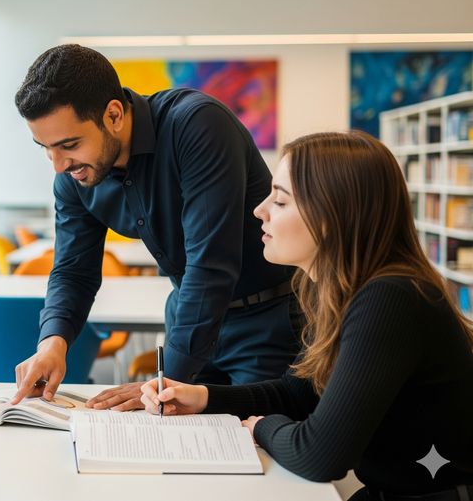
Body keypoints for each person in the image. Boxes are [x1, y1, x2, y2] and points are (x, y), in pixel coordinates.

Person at [94, 131, 473, 500]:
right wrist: (204, 397)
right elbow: (299, 392)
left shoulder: (391, 298)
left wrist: (261, 428)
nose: (259, 210)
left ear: (333, 214)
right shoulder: (340, 291)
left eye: (280, 200)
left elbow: (320, 456)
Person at [11, 44, 298, 403]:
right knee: (175, 441)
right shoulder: (74, 174)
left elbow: (210, 264)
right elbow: (73, 271)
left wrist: (166, 380)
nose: (58, 165)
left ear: (114, 115)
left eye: (69, 144)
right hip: (188, 320)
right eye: (45, 147)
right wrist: (52, 343)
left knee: (256, 448)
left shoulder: (197, 126)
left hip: (263, 323)